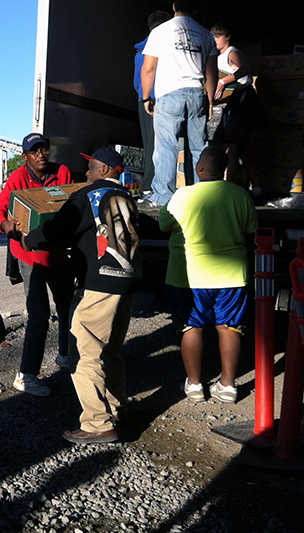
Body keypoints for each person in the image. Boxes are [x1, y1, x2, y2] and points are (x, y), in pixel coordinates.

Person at [3, 147, 141, 444]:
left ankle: (97, 423)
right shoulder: (127, 197)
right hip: (127, 281)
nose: (86, 173)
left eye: (91, 167)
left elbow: (56, 228)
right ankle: (118, 408)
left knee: (82, 350)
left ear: (105, 170)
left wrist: (28, 239)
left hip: (100, 283)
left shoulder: (87, 196)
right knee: (111, 350)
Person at [159, 146, 257, 404]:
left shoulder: (182, 196)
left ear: (200, 168)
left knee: (191, 326)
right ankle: (227, 386)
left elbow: (163, 224)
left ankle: (194, 385)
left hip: (188, 276)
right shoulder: (240, 195)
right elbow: (250, 229)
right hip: (232, 276)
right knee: (230, 327)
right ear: (224, 169)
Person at [0, 133, 75, 397]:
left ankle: (65, 355)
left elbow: (73, 203)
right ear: (25, 156)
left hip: (58, 253)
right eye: (34, 151)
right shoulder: (17, 179)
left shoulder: (62, 172)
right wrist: (8, 226)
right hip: (30, 256)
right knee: (39, 315)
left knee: (68, 307)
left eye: (44, 149)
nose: (41, 154)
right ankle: (26, 375)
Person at [141, 0, 218, 206]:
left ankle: (163, 198)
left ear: (174, 6)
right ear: (196, 8)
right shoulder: (206, 34)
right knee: (198, 147)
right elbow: (212, 73)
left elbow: (148, 68)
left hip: (170, 93)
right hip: (196, 94)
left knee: (167, 146)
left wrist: (146, 97)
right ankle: (201, 195)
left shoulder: (160, 31)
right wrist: (209, 102)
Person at [211, 21, 263, 194]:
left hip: (242, 100)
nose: (215, 39)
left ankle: (227, 185)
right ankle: (256, 187)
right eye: (214, 36)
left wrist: (223, 81)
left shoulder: (231, 52)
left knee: (232, 143)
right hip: (233, 100)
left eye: (218, 36)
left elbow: (246, 68)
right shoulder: (218, 56)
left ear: (227, 37)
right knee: (241, 147)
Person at [134, 10, 172, 194]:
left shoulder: (140, 50)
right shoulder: (163, 47)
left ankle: (149, 185)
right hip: (158, 99)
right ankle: (155, 185)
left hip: (144, 99)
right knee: (163, 144)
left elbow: (137, 80)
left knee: (150, 144)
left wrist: (144, 97)